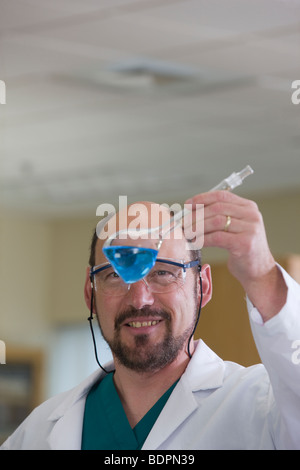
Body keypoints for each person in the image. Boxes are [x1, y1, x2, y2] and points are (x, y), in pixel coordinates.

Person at [1, 190, 300, 450]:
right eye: (116, 276)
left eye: (163, 272)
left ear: (203, 287)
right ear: (89, 294)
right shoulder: (38, 432)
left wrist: (263, 276)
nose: (139, 299)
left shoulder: (261, 408)